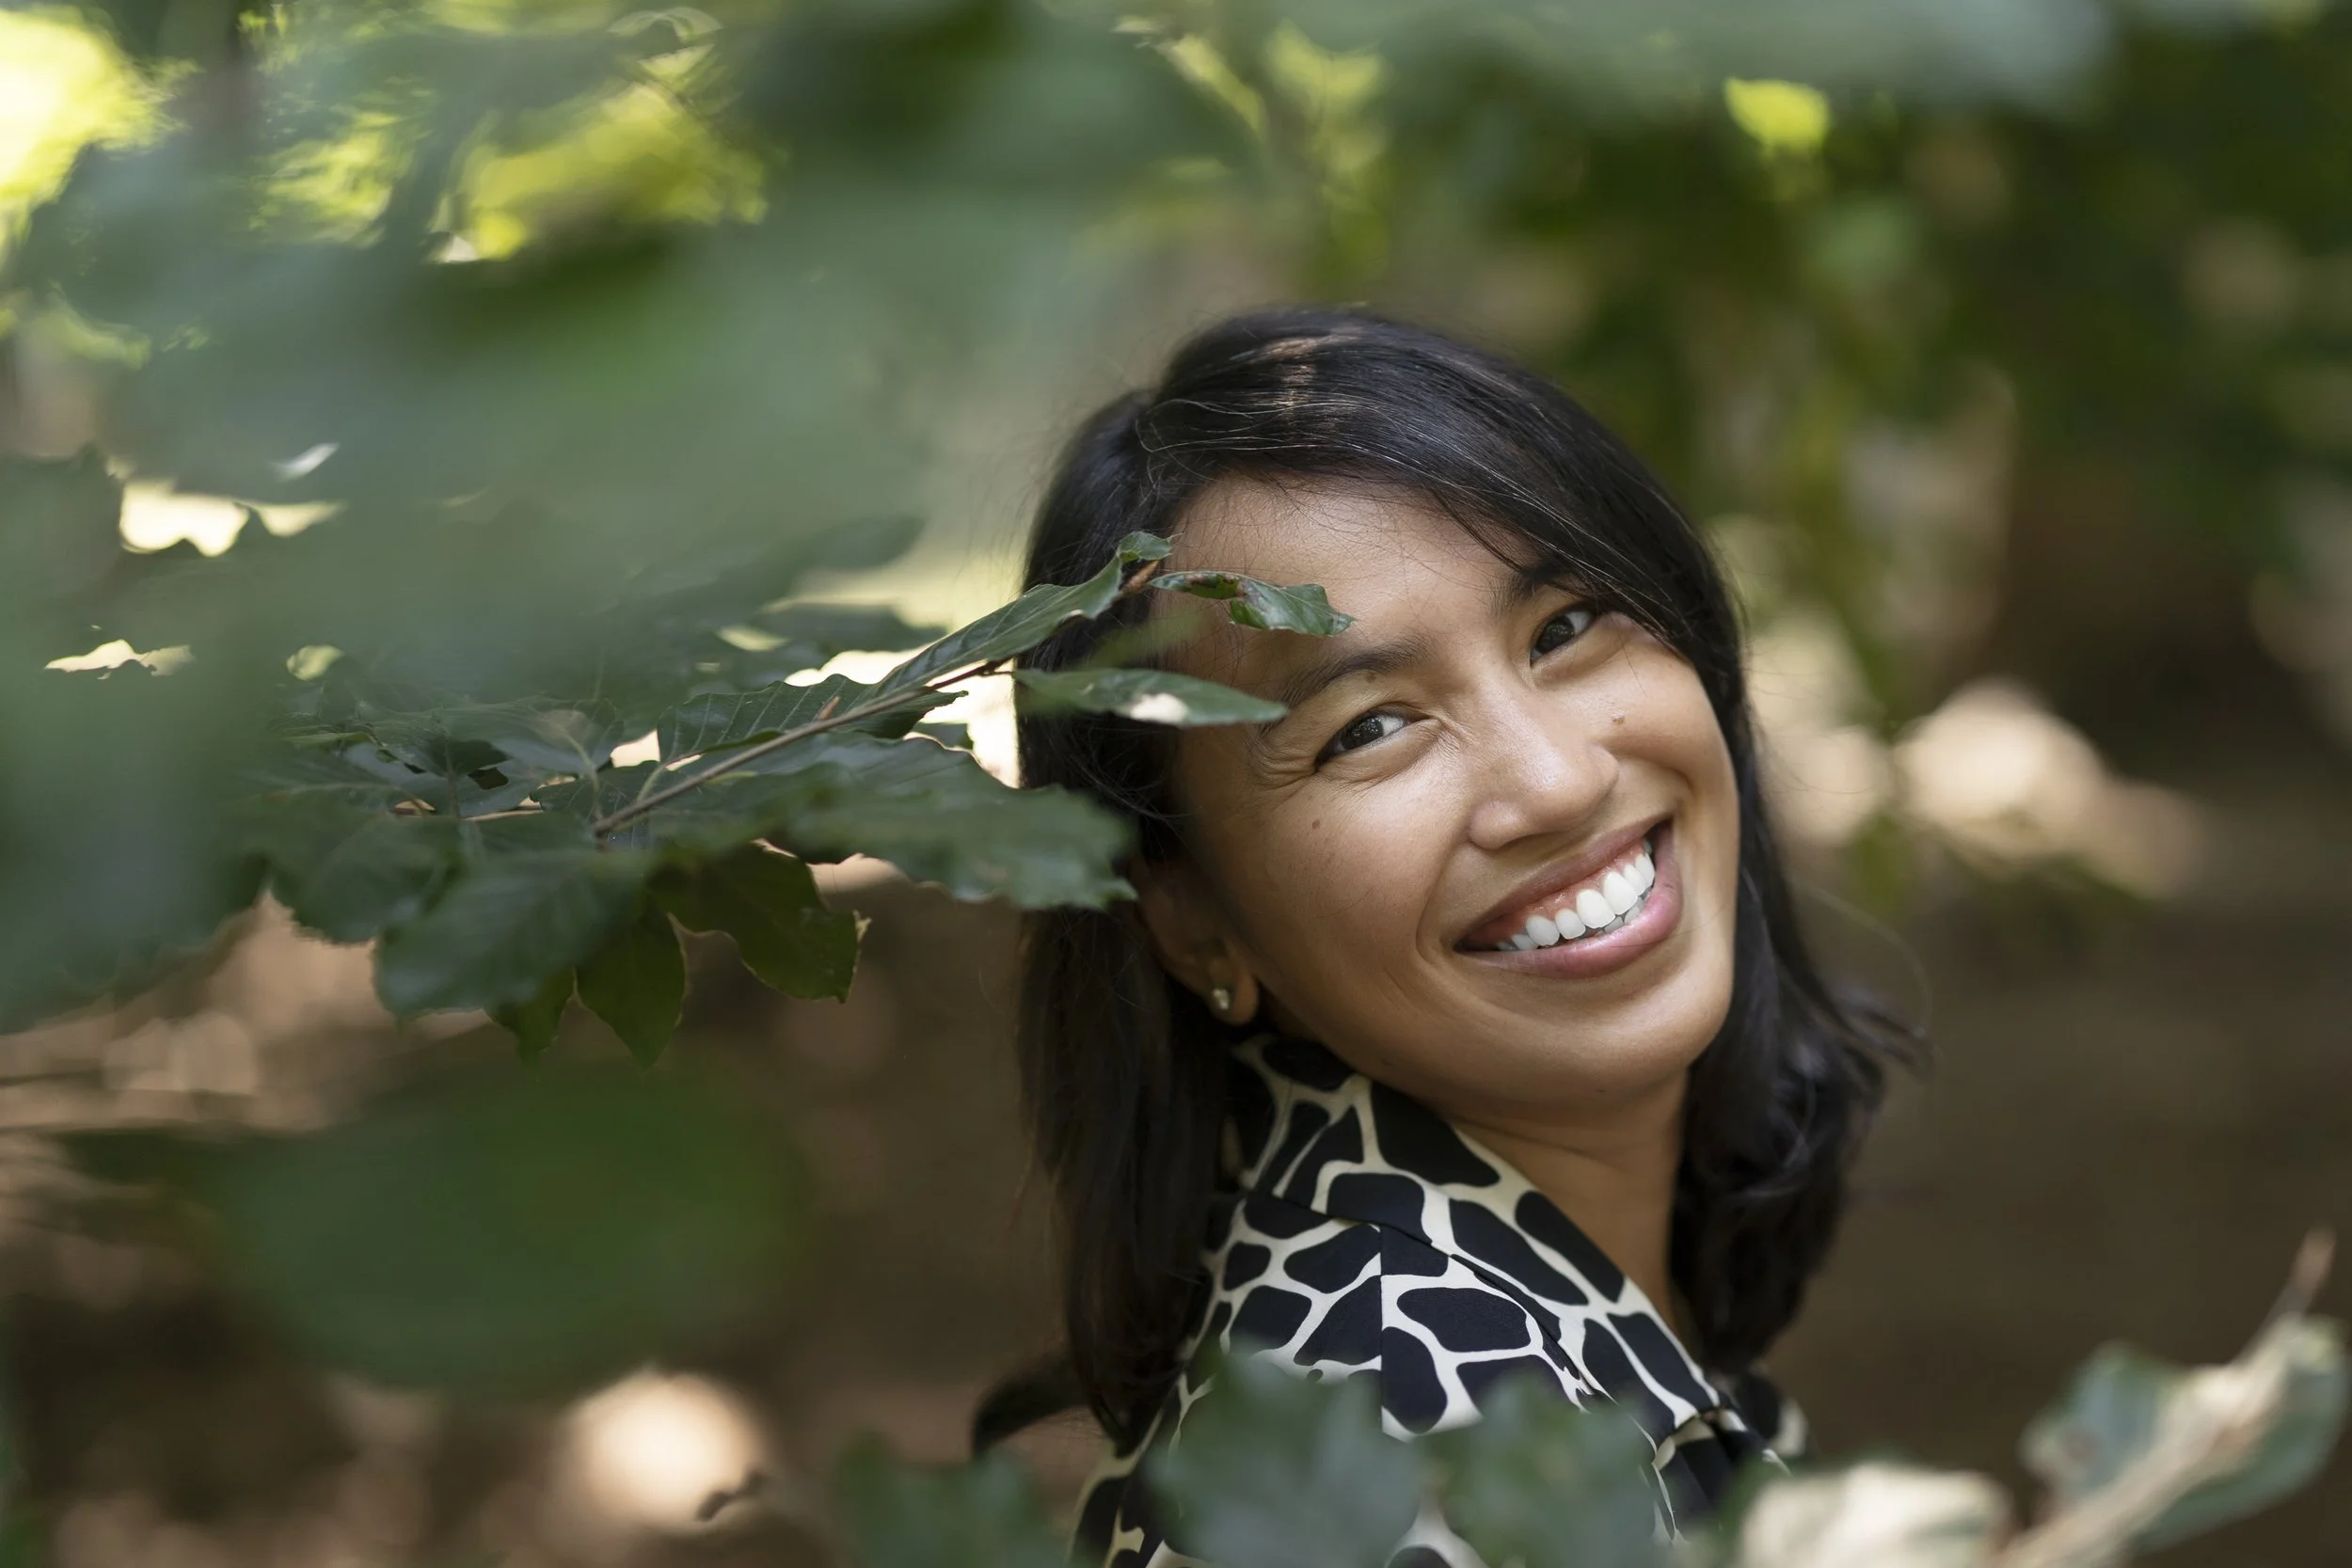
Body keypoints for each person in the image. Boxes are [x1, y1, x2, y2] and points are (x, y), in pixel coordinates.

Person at [973, 308, 1913, 1566]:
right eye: (1368, 726)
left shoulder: (1473, 1345)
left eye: (1566, 626)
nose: (1558, 782)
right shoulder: (1408, 1439)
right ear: (1187, 914)